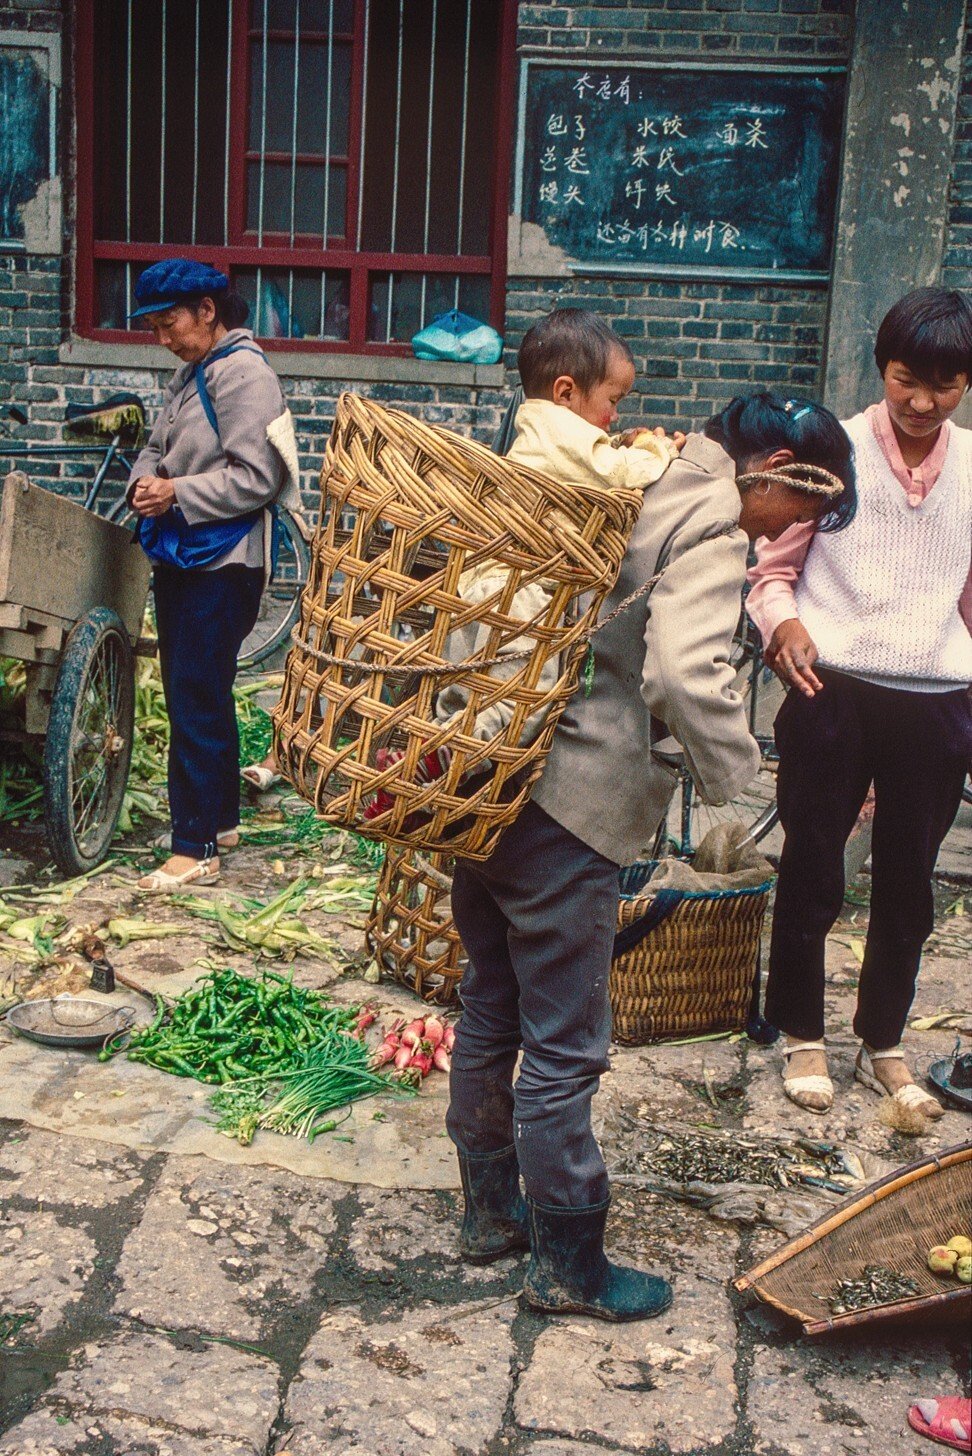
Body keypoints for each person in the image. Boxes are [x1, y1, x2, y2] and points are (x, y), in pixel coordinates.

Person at [445, 307, 856, 1323]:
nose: (783, 534)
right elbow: (686, 672)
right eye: (794, 511)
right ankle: (570, 1265)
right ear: (771, 467)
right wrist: (739, 788)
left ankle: (490, 1214)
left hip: (496, 775)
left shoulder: (647, 473)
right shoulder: (711, 516)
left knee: (492, 1003)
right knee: (569, 1044)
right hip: (571, 807)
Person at [747, 286, 972, 1118]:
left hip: (937, 700)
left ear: (966, 386)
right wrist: (787, 625)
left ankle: (884, 1042)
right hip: (831, 690)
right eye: (907, 378)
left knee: (911, 887)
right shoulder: (829, 449)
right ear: (882, 366)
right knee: (811, 867)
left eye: (944, 387)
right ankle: (802, 1033)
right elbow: (770, 572)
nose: (920, 403)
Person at [126, 259, 300, 891]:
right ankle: (219, 820)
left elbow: (259, 480)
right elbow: (154, 446)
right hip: (187, 553)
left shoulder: (244, 374)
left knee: (194, 694)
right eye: (154, 327)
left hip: (222, 562)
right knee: (203, 690)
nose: (164, 337)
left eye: (170, 322)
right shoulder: (190, 374)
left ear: (207, 310)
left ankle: (195, 847)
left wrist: (176, 493)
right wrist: (146, 482)